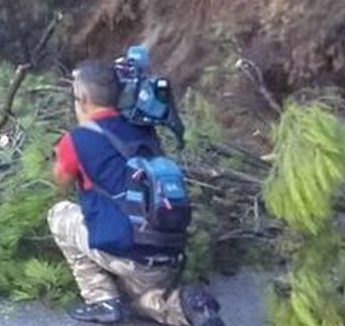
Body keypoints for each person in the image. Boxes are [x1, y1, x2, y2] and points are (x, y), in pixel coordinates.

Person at [50, 60, 225, 325]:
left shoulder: (77, 139)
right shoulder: (144, 129)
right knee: (135, 301)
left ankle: (101, 300)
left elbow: (60, 181)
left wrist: (61, 156)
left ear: (83, 100)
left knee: (59, 214)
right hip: (168, 254)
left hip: (127, 253)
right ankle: (188, 307)